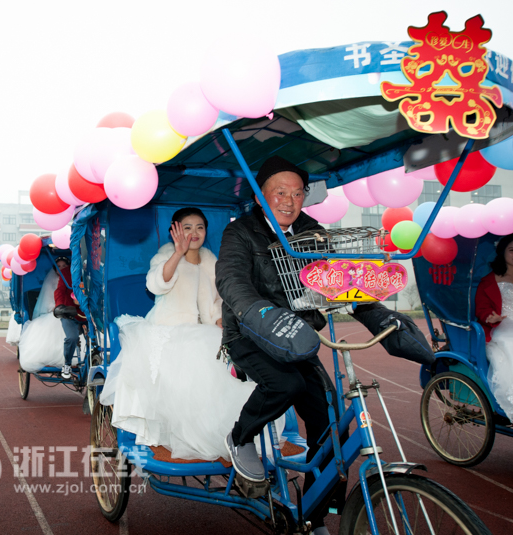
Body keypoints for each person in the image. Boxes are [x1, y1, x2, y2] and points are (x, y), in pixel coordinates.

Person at [216, 156, 341, 535]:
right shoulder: (240, 232)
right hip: (249, 333)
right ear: (261, 196)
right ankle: (241, 437)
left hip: (297, 337)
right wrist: (260, 313)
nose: (289, 200)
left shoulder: (312, 231)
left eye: (297, 193)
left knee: (331, 417)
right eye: (280, 192)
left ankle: (314, 515)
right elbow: (230, 279)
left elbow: (336, 275)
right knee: (287, 385)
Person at [99, 208, 272, 461]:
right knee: (193, 360)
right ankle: (180, 436)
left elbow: (216, 300)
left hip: (205, 331)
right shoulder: (166, 254)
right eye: (187, 227)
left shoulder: (211, 259)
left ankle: (232, 434)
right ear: (175, 230)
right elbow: (156, 284)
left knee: (237, 362)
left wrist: (221, 319)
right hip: (168, 329)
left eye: (200, 227)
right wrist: (178, 253)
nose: (194, 233)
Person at [476, 231, 513, 424]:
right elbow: (481, 309)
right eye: (512, 250)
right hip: (504, 328)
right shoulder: (490, 280)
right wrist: (492, 317)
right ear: (502, 252)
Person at [54, 256, 86, 379]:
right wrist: (60, 305)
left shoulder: (95, 272)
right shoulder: (66, 272)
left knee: (95, 339)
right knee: (72, 337)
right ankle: (67, 364)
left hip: (86, 312)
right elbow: (60, 291)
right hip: (69, 311)